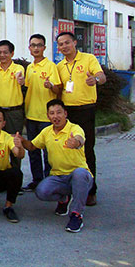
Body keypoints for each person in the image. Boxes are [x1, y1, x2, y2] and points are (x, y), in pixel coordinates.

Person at [20, 99, 93, 233]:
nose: (56, 116)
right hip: (58, 177)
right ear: (48, 116)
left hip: (79, 176)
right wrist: (21, 141)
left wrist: (76, 142)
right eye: (52, 113)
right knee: (41, 191)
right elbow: (31, 146)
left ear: (65, 113)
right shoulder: (46, 132)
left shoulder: (75, 128)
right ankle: (64, 199)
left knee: (80, 174)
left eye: (59, 112)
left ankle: (76, 215)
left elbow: (80, 139)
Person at [56, 31, 106, 206]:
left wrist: (95, 79)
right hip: (67, 112)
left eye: (67, 42)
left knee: (86, 150)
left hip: (86, 110)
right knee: (67, 150)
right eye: (60, 44)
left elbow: (102, 76)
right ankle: (69, 189)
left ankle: (91, 191)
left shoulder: (88, 59)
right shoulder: (60, 66)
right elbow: (59, 89)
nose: (64, 46)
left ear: (75, 42)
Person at [23, 34, 61, 191]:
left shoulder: (51, 66)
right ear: (29, 48)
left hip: (46, 118)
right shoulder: (29, 68)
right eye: (33, 45)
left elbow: (58, 89)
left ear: (44, 48)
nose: (36, 48)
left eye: (39, 45)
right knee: (33, 150)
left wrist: (51, 85)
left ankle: (49, 182)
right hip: (31, 115)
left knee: (48, 152)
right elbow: (27, 89)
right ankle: (37, 180)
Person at [0, 40, 25, 169]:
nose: (2, 55)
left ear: (12, 53)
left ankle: (15, 176)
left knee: (15, 144)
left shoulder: (18, 68)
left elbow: (20, 76)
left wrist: (21, 80)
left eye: (5, 52)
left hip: (14, 113)